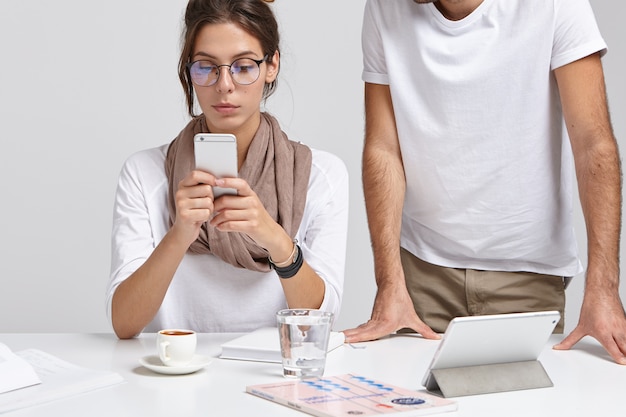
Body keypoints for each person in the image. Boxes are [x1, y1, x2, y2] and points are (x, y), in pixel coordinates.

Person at [343, 0, 626, 365]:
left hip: (526, 278)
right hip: (422, 275)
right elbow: (383, 148)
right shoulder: (385, 6)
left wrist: (603, 290)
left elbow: (593, 144)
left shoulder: (556, 5)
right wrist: (389, 283)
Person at [107, 0, 348, 339]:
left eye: (244, 66)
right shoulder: (143, 172)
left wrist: (273, 237)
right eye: (206, 67)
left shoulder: (322, 175)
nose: (224, 85)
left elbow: (316, 325)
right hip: (175, 378)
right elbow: (124, 323)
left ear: (272, 65)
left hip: (272, 374)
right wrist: (179, 234)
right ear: (188, 70)